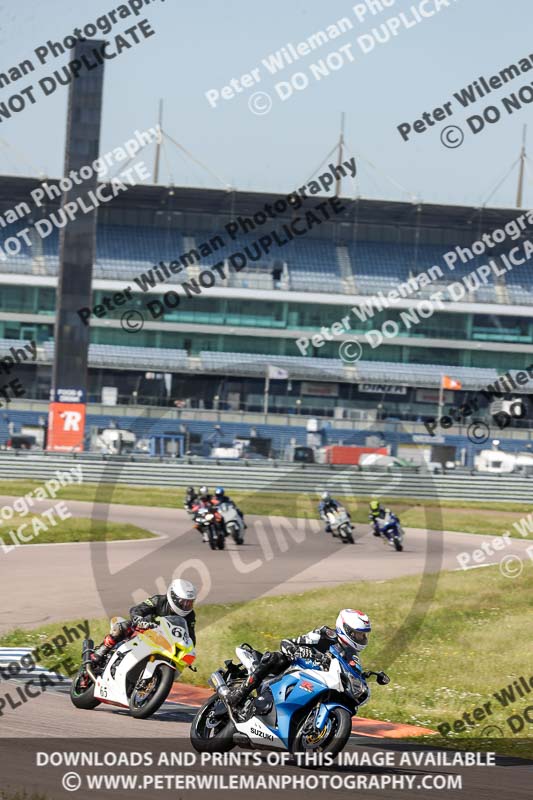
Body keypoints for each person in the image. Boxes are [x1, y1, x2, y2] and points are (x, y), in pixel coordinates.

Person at [226, 609, 371, 708]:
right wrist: (295, 650)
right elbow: (288, 642)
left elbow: (349, 670)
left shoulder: (350, 655)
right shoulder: (325, 634)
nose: (362, 638)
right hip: (295, 667)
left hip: (316, 682)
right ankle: (240, 693)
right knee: (277, 658)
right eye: (358, 634)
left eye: (363, 635)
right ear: (345, 629)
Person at [91, 579, 197, 664]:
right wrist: (140, 620)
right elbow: (137, 609)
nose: (186, 606)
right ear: (173, 597)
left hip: (163, 642)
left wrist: (189, 648)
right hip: (144, 630)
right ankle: (102, 649)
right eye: (183, 602)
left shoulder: (190, 615)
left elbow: (190, 636)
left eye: (190, 603)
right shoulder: (159, 600)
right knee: (122, 627)